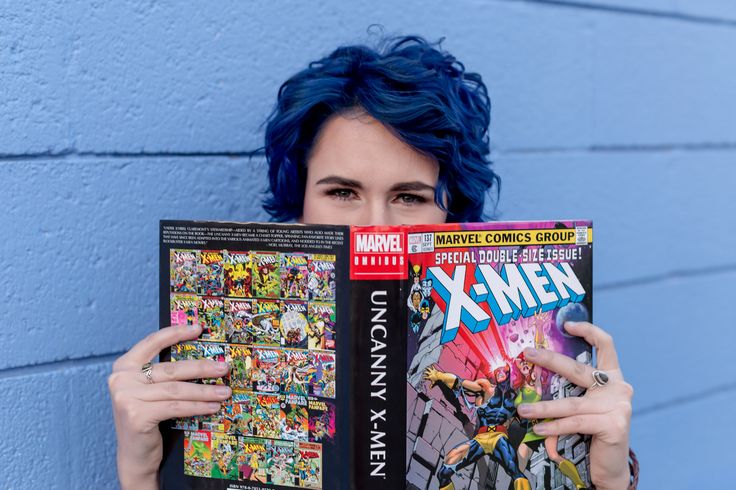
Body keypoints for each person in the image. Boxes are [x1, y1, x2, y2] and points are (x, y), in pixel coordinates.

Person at [109, 35, 635, 489]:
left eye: (409, 197)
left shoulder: (529, 347)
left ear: (456, 220)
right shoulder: (210, 347)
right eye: (341, 192)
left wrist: (611, 480)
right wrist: (140, 475)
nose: (375, 228)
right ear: (298, 206)